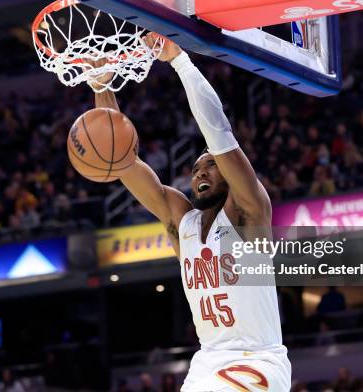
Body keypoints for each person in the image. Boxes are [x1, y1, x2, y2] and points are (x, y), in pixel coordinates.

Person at [86, 33, 291, 391]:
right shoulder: (182, 221)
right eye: (196, 169)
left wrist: (179, 61)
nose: (201, 173)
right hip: (208, 360)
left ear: (228, 175)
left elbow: (219, 132)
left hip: (257, 360)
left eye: (210, 166)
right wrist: (103, 87)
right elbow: (121, 159)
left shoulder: (249, 212)